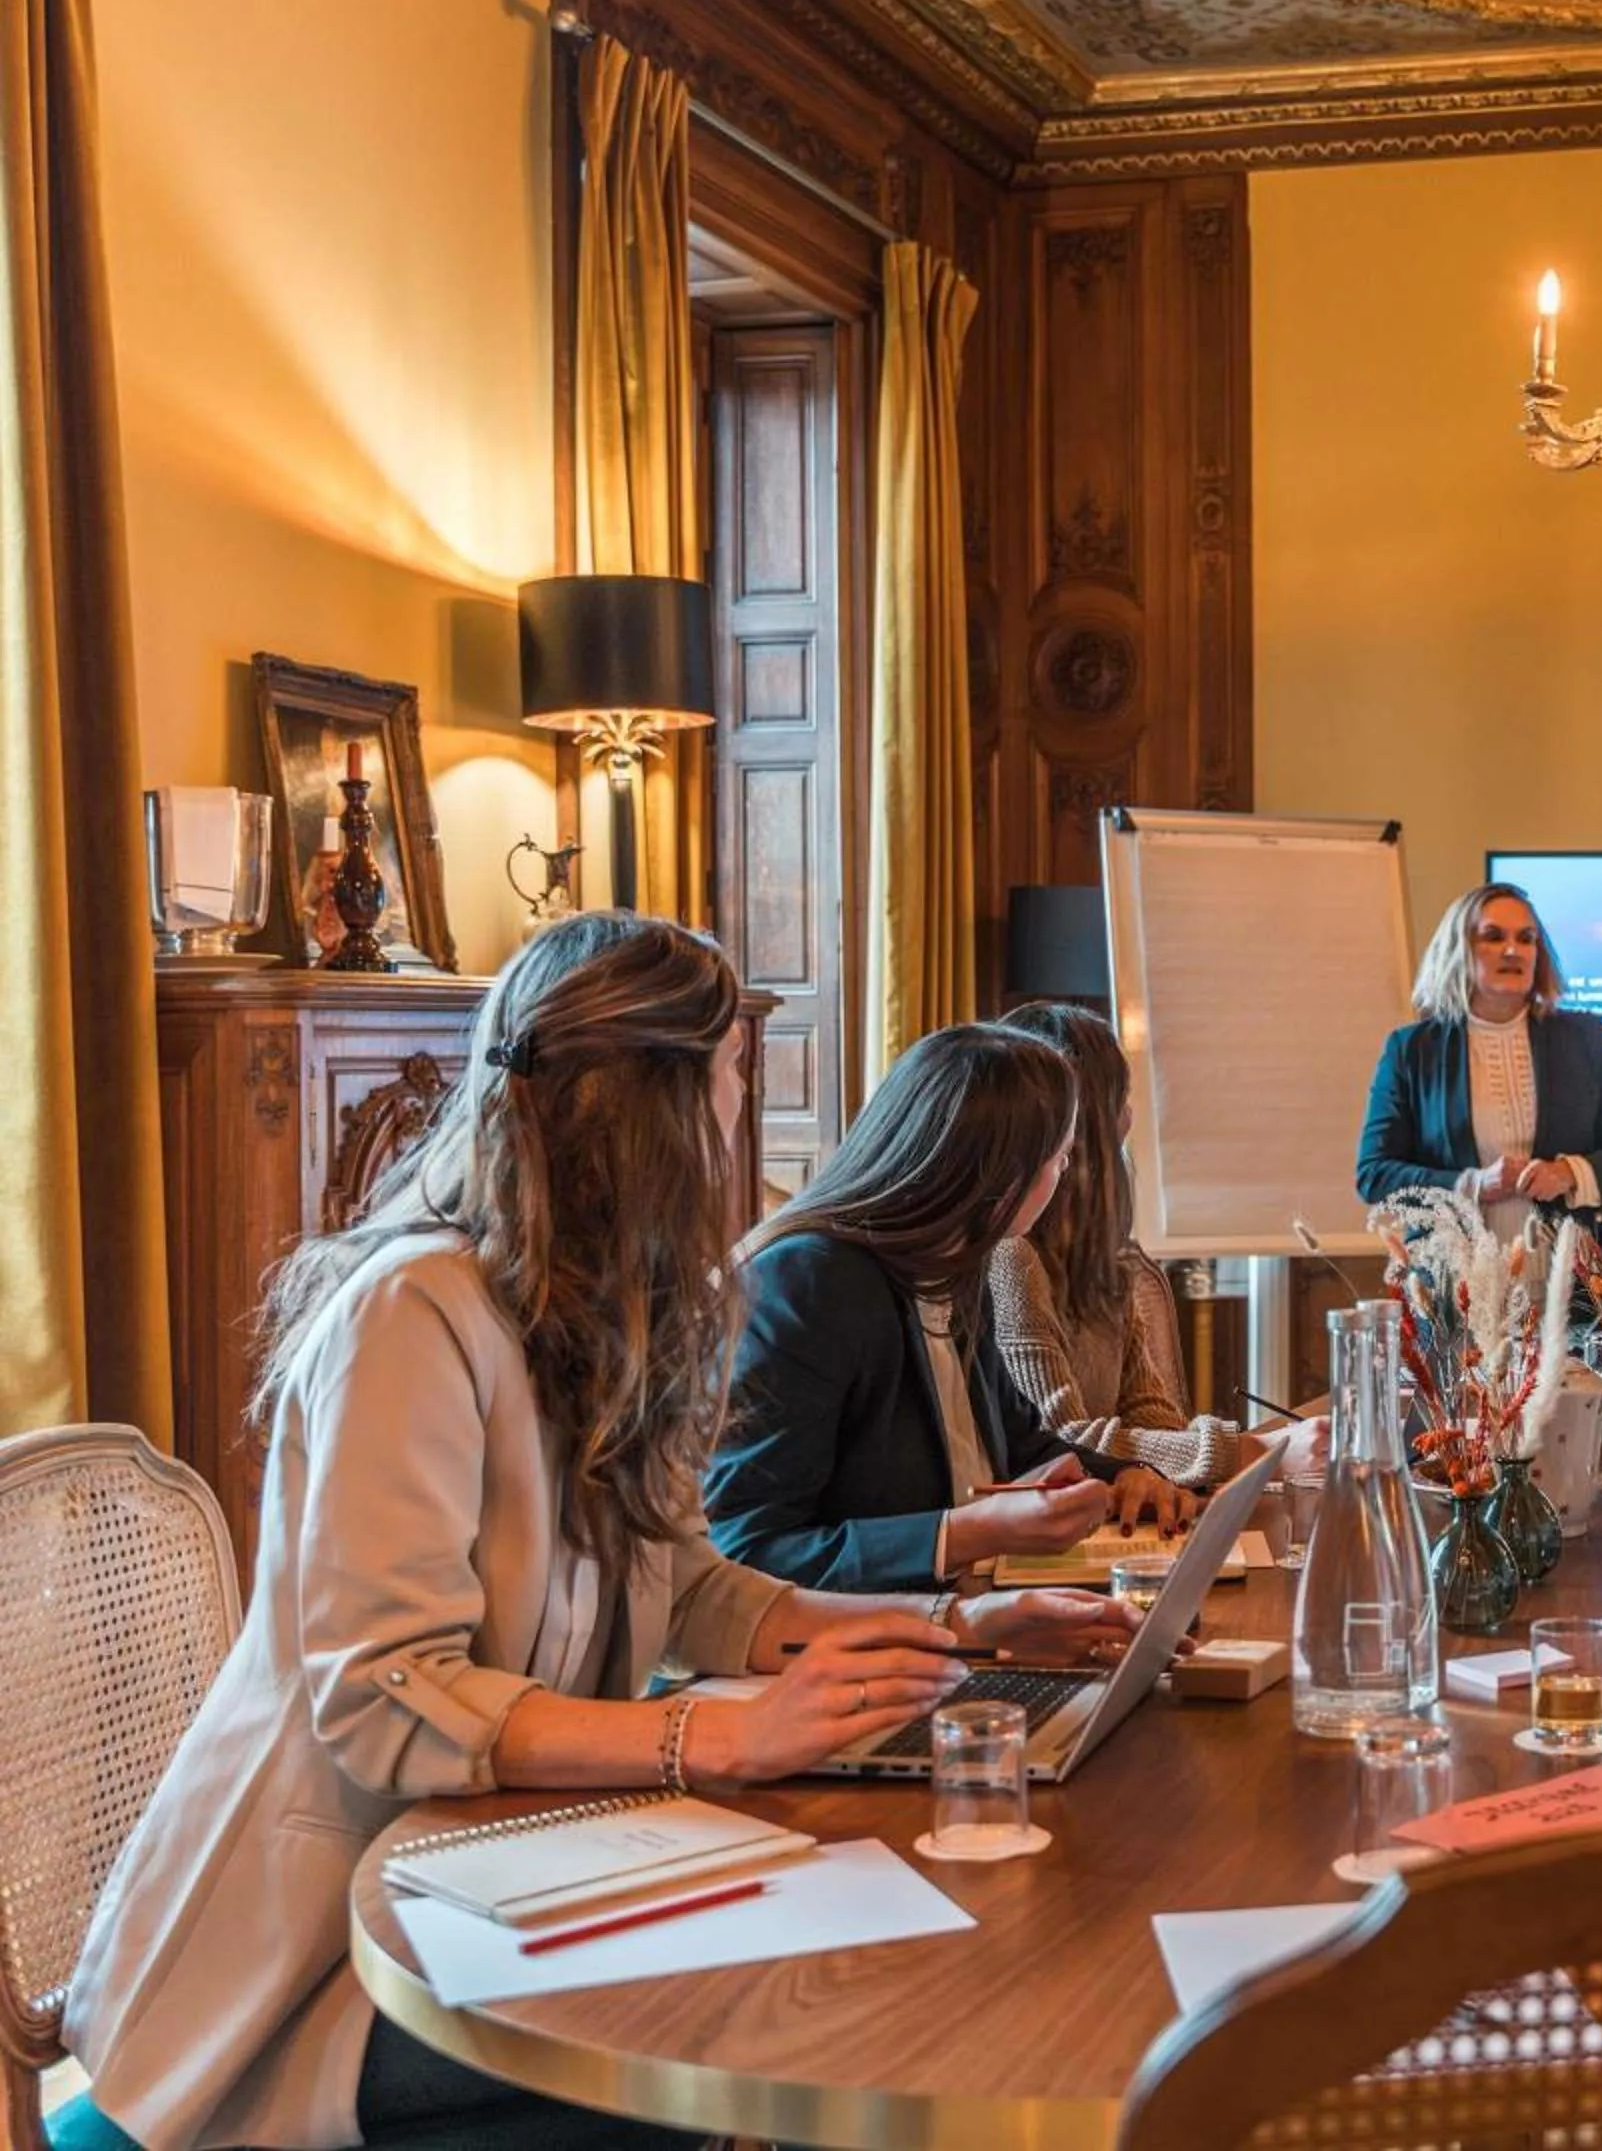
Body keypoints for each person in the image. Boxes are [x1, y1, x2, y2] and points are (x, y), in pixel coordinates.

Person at [54, 916, 1143, 2151]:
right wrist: (711, 1740)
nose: (743, 1115)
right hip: (328, 1952)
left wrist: (954, 1622)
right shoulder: (412, 1316)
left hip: (511, 1869)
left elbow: (692, 1591)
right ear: (661, 1107)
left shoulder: (615, 1310)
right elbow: (384, 1694)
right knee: (739, 2043)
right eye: (736, 1076)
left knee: (833, 1993)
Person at [708, 1024, 1200, 1594]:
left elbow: (1023, 1446)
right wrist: (966, 1533)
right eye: (1060, 1159)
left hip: (967, 1618)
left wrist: (1125, 1479)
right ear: (1002, 1175)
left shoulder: (955, 1266)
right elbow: (746, 1550)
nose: (1063, 1176)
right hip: (857, 1654)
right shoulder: (809, 1282)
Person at [995, 1003, 1324, 1485]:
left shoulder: (1105, 1258)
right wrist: (1251, 1450)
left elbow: (1152, 1416)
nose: (1130, 1117)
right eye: (1120, 1100)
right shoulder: (1011, 1259)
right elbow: (1062, 1438)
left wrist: (1177, 1473)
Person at [1356, 883, 1602, 1234]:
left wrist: (1568, 1173)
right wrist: (1473, 1184)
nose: (1513, 950)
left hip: (1574, 1280)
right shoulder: (1412, 1050)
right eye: (1493, 937)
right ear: (1459, 949)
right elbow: (1374, 1174)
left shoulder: (1586, 1038)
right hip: (1458, 1280)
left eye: (1526, 938)